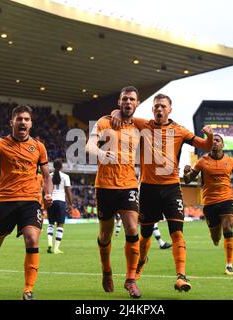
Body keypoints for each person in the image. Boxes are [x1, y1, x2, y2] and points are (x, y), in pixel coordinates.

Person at [111, 93, 213, 291]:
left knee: (177, 233)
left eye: (163, 106)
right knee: (146, 235)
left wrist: (209, 136)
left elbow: (205, 146)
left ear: (170, 109)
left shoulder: (180, 131)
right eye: (156, 106)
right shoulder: (144, 124)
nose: (159, 109)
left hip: (172, 189)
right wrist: (116, 111)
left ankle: (181, 276)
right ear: (152, 110)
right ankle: (140, 263)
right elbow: (124, 115)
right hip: (148, 189)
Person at [0, 105, 53, 300]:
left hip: (31, 201)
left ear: (31, 123)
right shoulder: (0, 144)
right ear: (12, 122)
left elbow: (47, 175)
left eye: (26, 119)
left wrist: (47, 194)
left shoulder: (39, 147)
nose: (23, 122)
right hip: (6, 201)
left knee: (32, 238)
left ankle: (28, 290)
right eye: (19, 119)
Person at [86, 86, 142, 298]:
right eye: (125, 99)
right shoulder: (104, 122)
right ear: (119, 102)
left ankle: (130, 279)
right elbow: (88, 146)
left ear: (136, 104)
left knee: (131, 226)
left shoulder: (140, 125)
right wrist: (101, 152)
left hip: (128, 184)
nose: (128, 102)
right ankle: (106, 270)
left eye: (132, 100)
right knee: (105, 234)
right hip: (105, 186)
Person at [184, 134, 233, 276]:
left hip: (227, 200)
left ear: (222, 145)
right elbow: (187, 180)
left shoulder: (231, 161)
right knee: (216, 237)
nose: (215, 142)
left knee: (228, 227)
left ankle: (229, 265)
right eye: (213, 140)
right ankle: (216, 238)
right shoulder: (202, 161)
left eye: (218, 140)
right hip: (209, 202)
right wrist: (186, 172)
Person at [47, 158, 73, 254]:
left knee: (50, 224)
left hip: (51, 201)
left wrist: (45, 201)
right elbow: (68, 191)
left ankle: (49, 243)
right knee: (60, 225)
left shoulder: (49, 176)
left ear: (53, 166)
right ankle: (56, 248)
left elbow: (44, 190)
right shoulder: (65, 176)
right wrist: (71, 204)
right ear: (62, 166)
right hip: (61, 201)